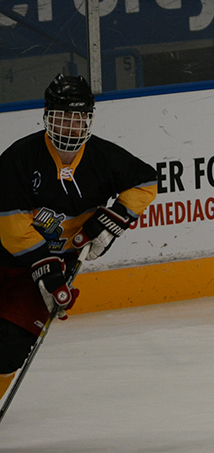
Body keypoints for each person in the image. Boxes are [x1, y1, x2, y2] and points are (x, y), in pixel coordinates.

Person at [0, 74, 158, 400]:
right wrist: (45, 266)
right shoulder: (19, 158)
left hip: (49, 269)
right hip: (10, 258)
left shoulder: (103, 158)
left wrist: (114, 219)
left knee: (9, 348)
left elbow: (146, 182)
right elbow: (11, 228)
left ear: (89, 120)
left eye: (78, 118)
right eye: (62, 117)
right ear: (48, 117)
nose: (70, 126)